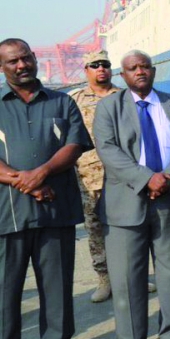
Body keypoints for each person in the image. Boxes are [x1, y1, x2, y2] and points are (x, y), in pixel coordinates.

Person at [93, 50, 170, 339]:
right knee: (127, 277)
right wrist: (146, 179)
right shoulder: (109, 107)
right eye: (132, 68)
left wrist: (166, 178)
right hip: (125, 203)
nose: (139, 71)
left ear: (153, 71)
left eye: (145, 67)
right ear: (123, 75)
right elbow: (108, 150)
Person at [0, 38, 94, 339]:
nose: (21, 65)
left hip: (56, 210)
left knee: (57, 286)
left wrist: (40, 174)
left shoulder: (62, 101)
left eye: (26, 58)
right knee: (4, 292)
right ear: (1, 67)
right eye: (13, 61)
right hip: (8, 213)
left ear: (34, 58)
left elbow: (74, 145)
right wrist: (28, 183)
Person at [68, 50, 120, 302]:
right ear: (86, 70)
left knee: (128, 228)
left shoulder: (125, 96)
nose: (101, 68)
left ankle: (133, 275)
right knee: (95, 229)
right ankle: (104, 278)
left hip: (122, 175)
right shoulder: (75, 100)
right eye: (95, 65)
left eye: (105, 64)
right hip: (88, 177)